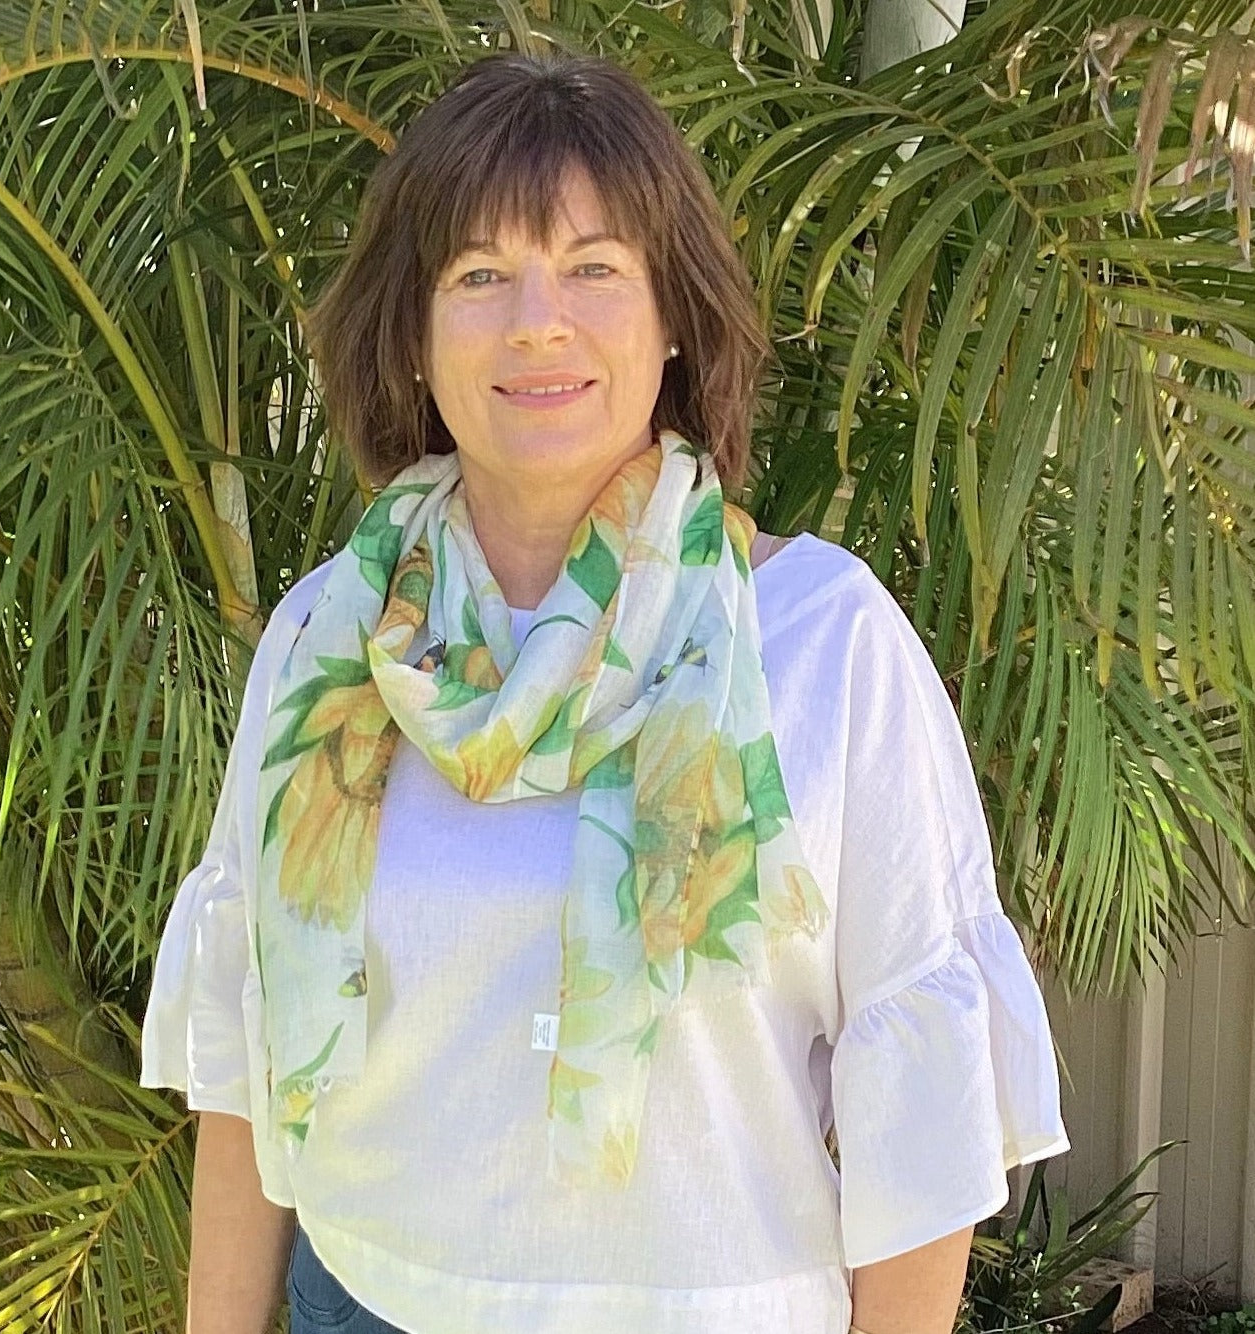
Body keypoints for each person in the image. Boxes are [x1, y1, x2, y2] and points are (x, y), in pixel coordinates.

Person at [140, 51, 1070, 1334]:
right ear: (410, 330)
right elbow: (241, 1057)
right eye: (478, 274)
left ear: (672, 315)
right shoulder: (326, 645)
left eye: (593, 266)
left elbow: (918, 1102)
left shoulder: (820, 641)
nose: (536, 320)